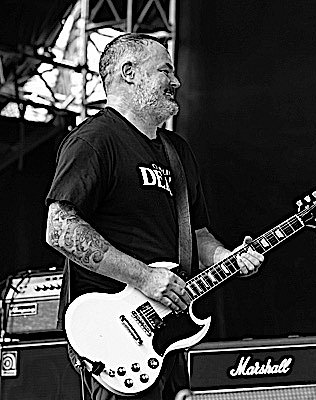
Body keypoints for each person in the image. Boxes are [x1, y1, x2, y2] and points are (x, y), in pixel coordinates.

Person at [45, 33, 264, 400]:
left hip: (167, 330)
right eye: (165, 70)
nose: (175, 81)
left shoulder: (177, 151)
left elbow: (197, 233)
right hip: (114, 336)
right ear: (129, 72)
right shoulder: (95, 140)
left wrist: (227, 258)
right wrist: (144, 277)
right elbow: (60, 229)